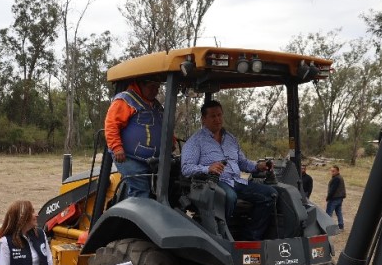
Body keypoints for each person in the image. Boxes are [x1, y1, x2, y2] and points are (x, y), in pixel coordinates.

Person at [181, 100, 277, 240]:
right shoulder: (195, 141)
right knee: (229, 196)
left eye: (219, 115)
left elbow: (242, 162)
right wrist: (208, 168)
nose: (217, 119)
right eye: (213, 116)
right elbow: (186, 168)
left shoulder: (230, 139)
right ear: (203, 119)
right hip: (212, 183)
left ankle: (250, 237)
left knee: (270, 195)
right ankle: (222, 237)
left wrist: (258, 166)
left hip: (236, 181)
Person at [104, 79, 175, 199]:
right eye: (152, 87)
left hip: (153, 160)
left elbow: (164, 125)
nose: (155, 91)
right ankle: (134, 215)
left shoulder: (156, 105)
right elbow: (111, 124)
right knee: (141, 189)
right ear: (141, 84)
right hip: (128, 157)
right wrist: (117, 148)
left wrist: (171, 140)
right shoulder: (126, 100)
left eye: (157, 88)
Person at [326, 165, 346, 230]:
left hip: (334, 198)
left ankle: (327, 227)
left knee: (329, 213)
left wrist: (328, 197)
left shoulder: (336, 178)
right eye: (331, 171)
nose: (332, 172)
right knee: (338, 212)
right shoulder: (339, 177)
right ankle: (341, 226)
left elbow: (332, 190)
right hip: (340, 198)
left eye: (334, 171)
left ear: (338, 171)